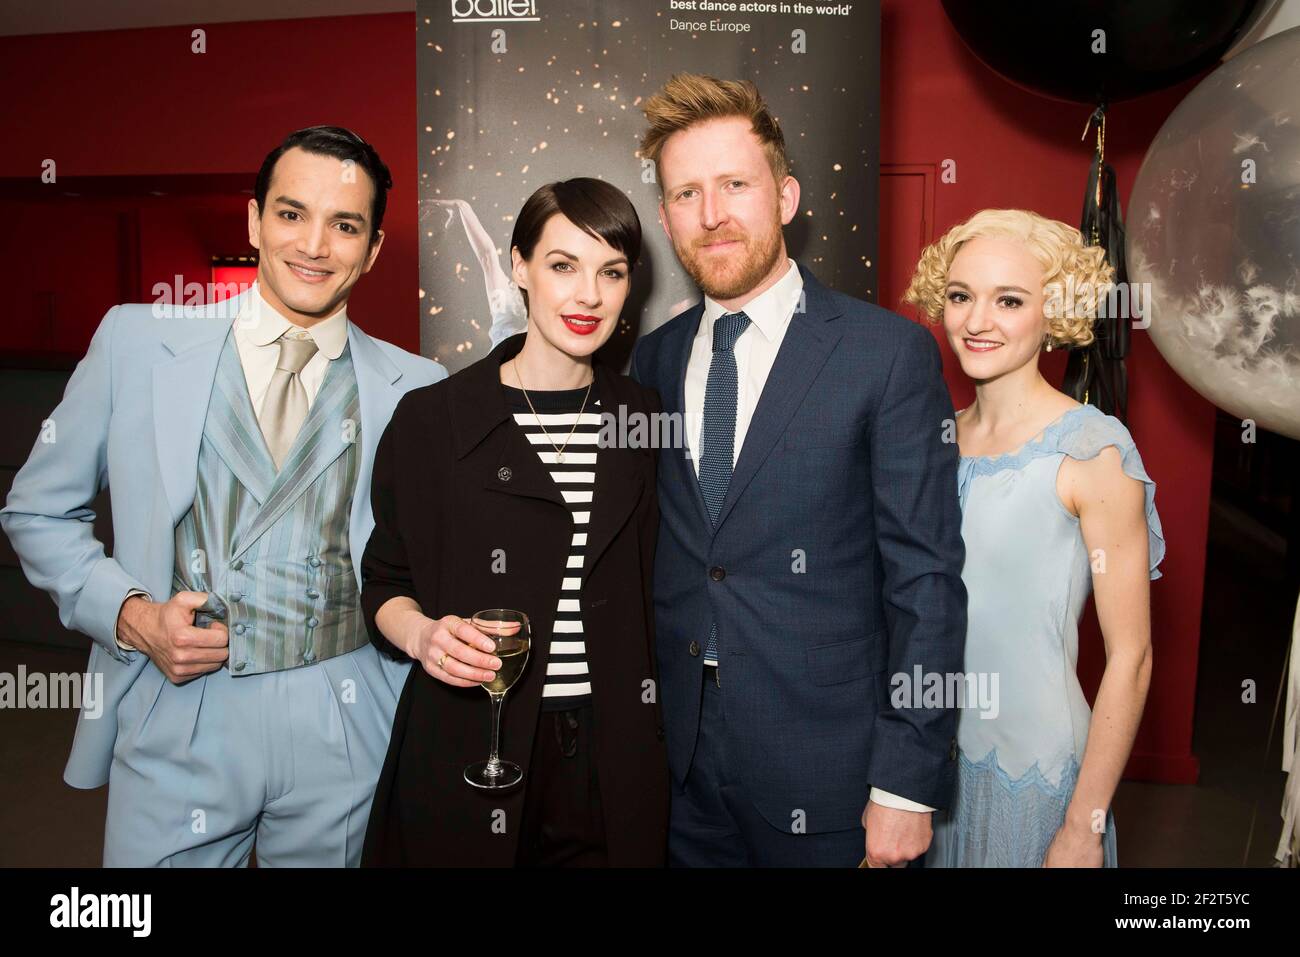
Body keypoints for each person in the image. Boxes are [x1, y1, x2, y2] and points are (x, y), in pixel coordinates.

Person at [0, 126, 446, 866]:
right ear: (254, 221)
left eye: (344, 225)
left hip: (345, 718)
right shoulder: (135, 342)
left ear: (371, 249)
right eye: (291, 213)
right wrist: (130, 614)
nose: (313, 244)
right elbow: (36, 509)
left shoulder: (420, 387)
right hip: (180, 704)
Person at [631, 73, 967, 867]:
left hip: (834, 777)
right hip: (679, 772)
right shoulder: (653, 359)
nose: (711, 214)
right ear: (665, 217)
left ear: (784, 197)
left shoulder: (886, 355)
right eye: (686, 193)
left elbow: (928, 582)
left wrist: (908, 783)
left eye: (734, 185)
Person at [360, 178, 669, 867]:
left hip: (610, 758)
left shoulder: (644, 420)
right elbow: (383, 582)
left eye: (611, 272)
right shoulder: (432, 419)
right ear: (518, 265)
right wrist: (423, 635)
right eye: (563, 265)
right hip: (470, 746)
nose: (588, 295)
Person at [903, 208, 1165, 867]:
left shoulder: (1092, 450)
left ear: (1055, 312)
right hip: (921, 767)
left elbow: (1131, 657)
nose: (977, 320)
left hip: (1036, 778)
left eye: (1010, 300)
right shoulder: (929, 436)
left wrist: (1084, 824)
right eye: (961, 296)